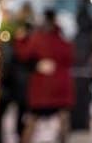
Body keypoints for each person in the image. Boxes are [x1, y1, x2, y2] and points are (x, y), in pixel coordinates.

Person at [15, 9, 74, 143]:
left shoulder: (38, 37)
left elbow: (24, 54)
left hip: (43, 89)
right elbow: (70, 57)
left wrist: (20, 40)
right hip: (60, 88)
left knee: (32, 121)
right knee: (63, 121)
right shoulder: (62, 37)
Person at [0, 1, 34, 143]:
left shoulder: (13, 38)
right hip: (13, 82)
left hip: (13, 82)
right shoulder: (10, 37)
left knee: (17, 115)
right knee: (14, 114)